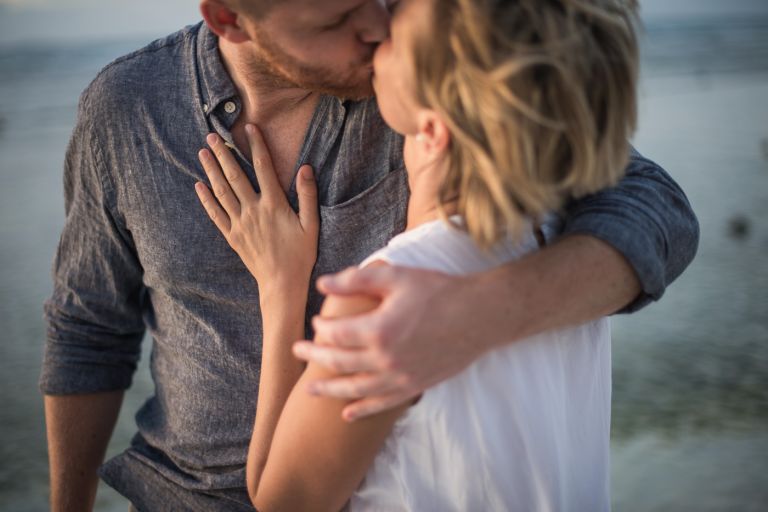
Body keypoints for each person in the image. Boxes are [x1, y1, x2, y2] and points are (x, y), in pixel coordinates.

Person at [39, 0, 698, 510]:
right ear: (229, 18)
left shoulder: (429, 72)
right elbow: (89, 328)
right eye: (335, 17)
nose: (376, 24)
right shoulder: (125, 110)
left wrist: (468, 317)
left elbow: (658, 210)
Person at [195, 0, 636, 509]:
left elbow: (282, 500)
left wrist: (280, 288)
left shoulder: (383, 301)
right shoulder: (567, 258)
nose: (378, 29)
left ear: (433, 127)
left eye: (396, 32)